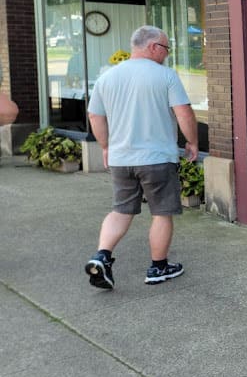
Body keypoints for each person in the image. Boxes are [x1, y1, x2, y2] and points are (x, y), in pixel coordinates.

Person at [85, 26, 199, 290]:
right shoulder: (166, 76)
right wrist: (192, 141)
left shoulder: (108, 77)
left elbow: (95, 117)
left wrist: (105, 147)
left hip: (121, 158)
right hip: (156, 157)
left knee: (121, 209)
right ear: (153, 47)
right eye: (166, 48)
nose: (167, 54)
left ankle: (102, 256)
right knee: (161, 212)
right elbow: (184, 113)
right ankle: (158, 267)